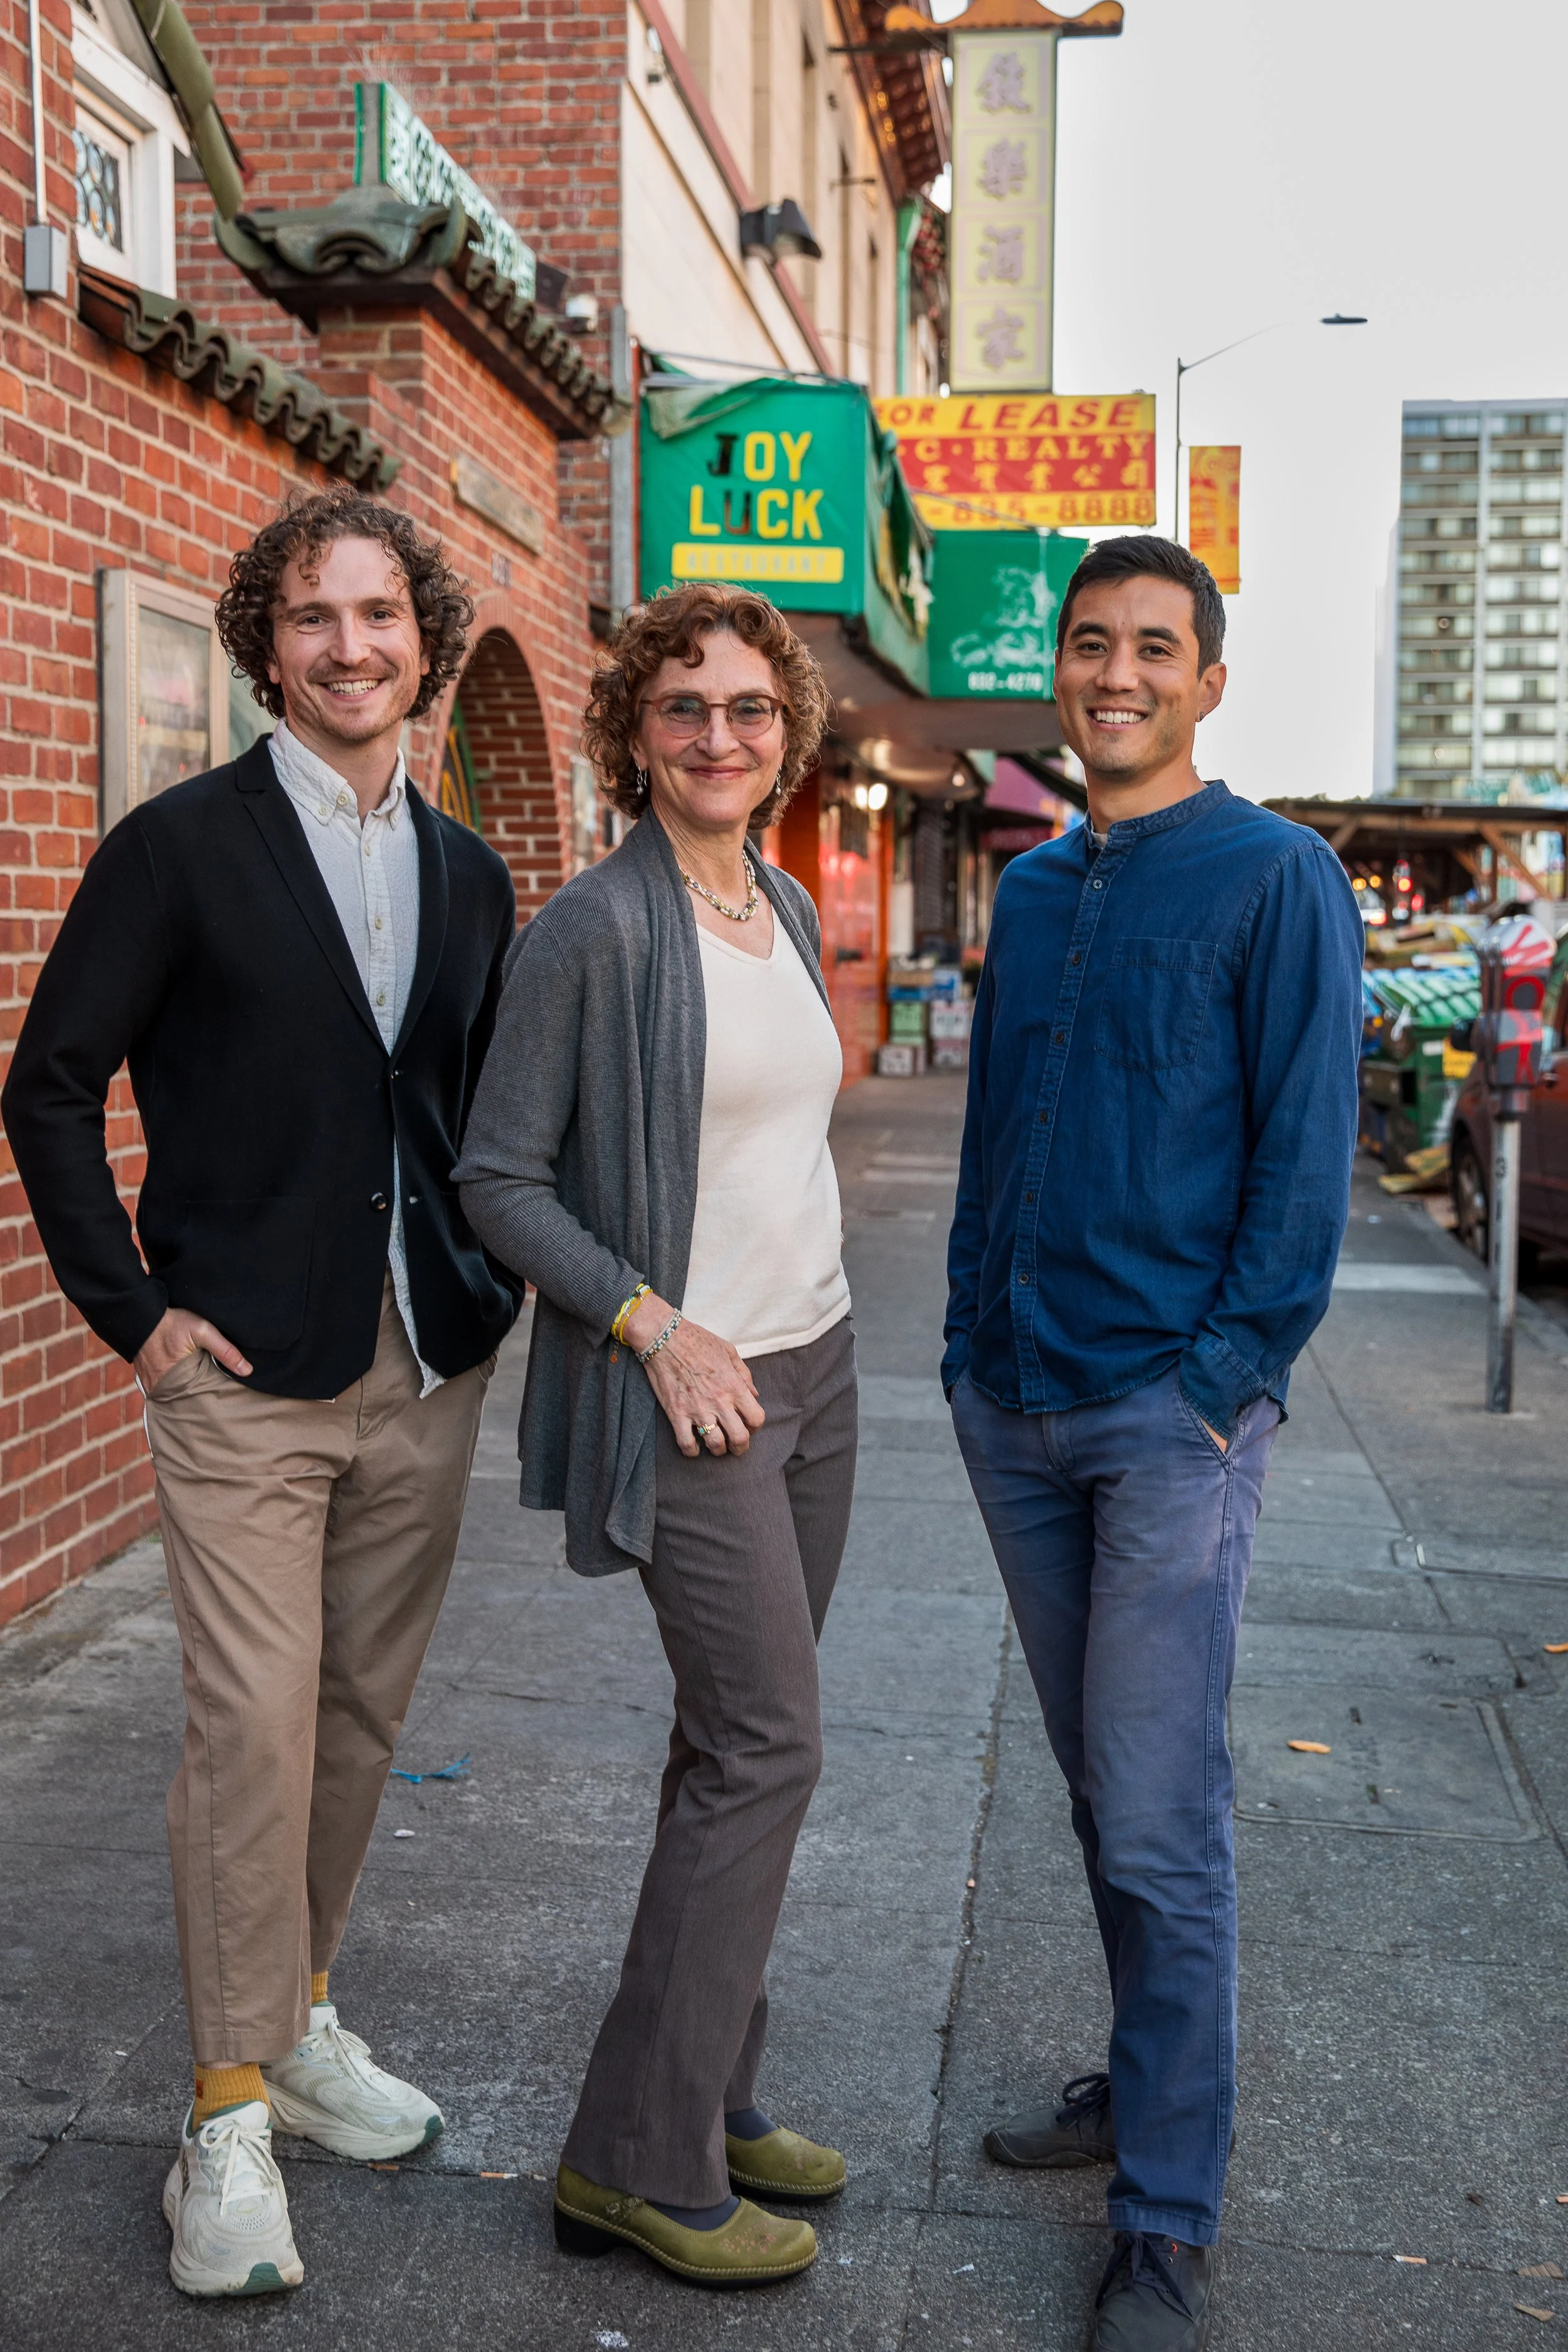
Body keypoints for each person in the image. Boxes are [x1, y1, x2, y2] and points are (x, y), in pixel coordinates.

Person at [1, 489, 519, 2298]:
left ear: (421, 638)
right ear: (266, 645)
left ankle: (295, 2016)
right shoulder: (180, 849)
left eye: (380, 611)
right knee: (253, 1730)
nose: (350, 644)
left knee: (361, 1718)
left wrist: (494, 1284)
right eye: (314, 615)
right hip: (234, 1373)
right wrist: (128, 1311)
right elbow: (49, 1085)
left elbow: (461, 1113)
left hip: (424, 1358)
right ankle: (222, 2118)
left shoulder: (468, 871)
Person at [943, 536, 1363, 2351]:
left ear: (1206, 679)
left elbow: (1302, 1173)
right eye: (1088, 642)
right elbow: (991, 1142)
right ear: (1061, 666)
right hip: (1013, 1406)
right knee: (1109, 1796)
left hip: (1162, 1423)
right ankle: (1137, 2083)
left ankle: (1164, 2221)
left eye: (1151, 648)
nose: (1113, 671)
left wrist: (1214, 1383)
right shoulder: (1034, 889)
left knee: (1160, 1820)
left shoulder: (1280, 882)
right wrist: (967, 1345)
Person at [455, 581, 855, 2289]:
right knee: (769, 1743)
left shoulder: (778, 894)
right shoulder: (595, 931)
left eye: (749, 708)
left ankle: (696, 2090)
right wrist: (649, 1320)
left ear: (789, 734)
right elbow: (495, 1180)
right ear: (632, 725)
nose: (717, 734)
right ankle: (645, 2168)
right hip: (689, 1391)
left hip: (814, 1371)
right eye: (683, 705)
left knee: (726, 1748)